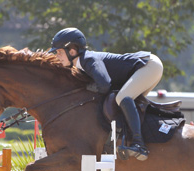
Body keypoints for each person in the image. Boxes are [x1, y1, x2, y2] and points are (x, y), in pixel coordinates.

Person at [49, 27, 164, 161]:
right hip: (147, 66)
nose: (57, 56)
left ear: (72, 51)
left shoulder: (88, 60)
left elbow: (104, 85)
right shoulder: (82, 64)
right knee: (126, 105)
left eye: (59, 52)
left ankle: (139, 145)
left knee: (123, 97)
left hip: (148, 65)